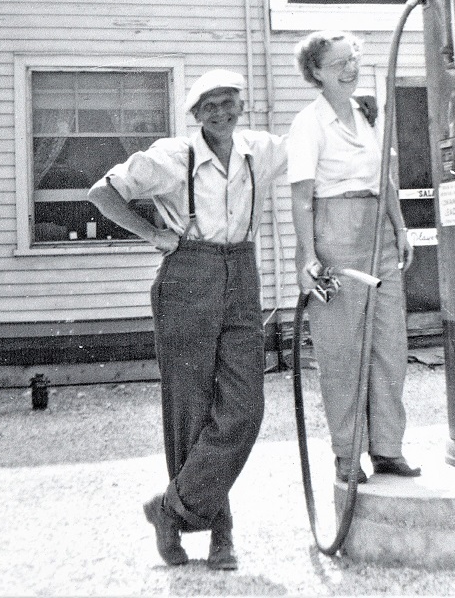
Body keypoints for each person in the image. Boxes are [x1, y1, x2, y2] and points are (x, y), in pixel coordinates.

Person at [87, 69, 287, 570]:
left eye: (228, 102)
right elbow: (102, 193)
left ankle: (170, 510)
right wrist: (154, 236)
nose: (220, 112)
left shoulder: (259, 150)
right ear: (195, 115)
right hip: (188, 275)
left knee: (245, 408)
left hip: (242, 270)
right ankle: (220, 536)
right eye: (209, 105)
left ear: (241, 105)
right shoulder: (171, 157)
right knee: (190, 411)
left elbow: (311, 147)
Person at [288, 31, 421, 484]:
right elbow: (302, 196)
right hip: (334, 229)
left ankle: (387, 447)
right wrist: (306, 256)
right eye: (337, 63)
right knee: (342, 350)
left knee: (390, 343)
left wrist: (400, 228)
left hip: (378, 230)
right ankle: (347, 454)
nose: (349, 69)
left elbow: (386, 175)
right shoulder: (308, 123)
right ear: (316, 73)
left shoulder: (369, 113)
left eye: (353, 59)